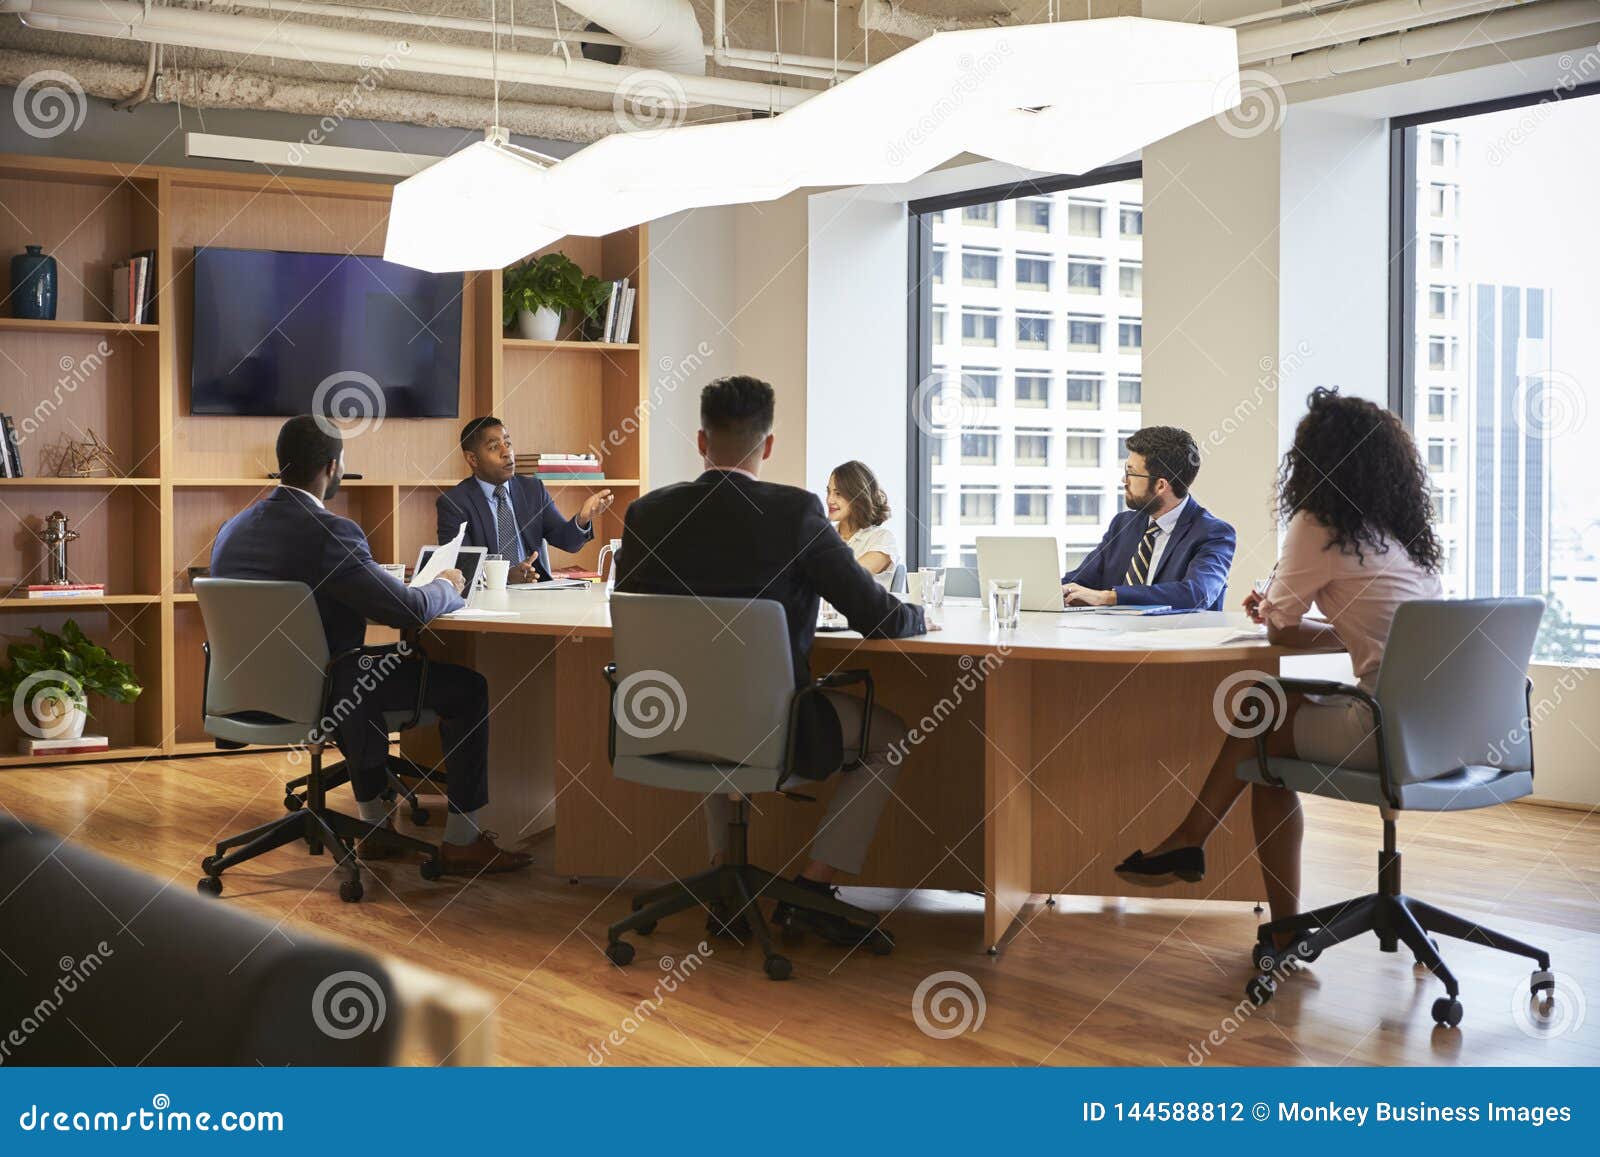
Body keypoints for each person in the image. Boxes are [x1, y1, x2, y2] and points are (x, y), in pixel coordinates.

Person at [1114, 389, 1444, 935]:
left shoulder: (1321, 526)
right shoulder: (1403, 534)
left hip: (1387, 729)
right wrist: (1291, 617)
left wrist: (1275, 613)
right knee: (1270, 719)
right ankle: (1194, 847)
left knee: (1260, 712)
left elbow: (1284, 631)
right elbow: (1373, 635)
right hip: (1450, 730)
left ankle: (1207, 855)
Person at [615, 376, 931, 946]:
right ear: (767, 446)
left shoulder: (646, 514)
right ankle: (813, 888)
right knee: (889, 737)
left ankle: (723, 880)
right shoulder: (795, 513)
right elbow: (877, 617)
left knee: (707, 691)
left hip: (663, 717)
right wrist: (919, 617)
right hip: (769, 726)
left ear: (701, 441)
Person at [212, 416, 532, 875]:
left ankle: (374, 826)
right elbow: (406, 611)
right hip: (327, 691)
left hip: (244, 692)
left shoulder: (231, 530)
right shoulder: (331, 532)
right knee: (466, 688)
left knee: (360, 670)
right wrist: (446, 585)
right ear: (333, 466)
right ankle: (462, 841)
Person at [1060, 425, 1236, 610]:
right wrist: (1053, 590)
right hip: (1112, 629)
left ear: (1160, 485)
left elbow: (1196, 594)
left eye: (1131, 472)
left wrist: (1109, 597)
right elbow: (1080, 580)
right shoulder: (1123, 524)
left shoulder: (1214, 534)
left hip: (1176, 629)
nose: (1124, 480)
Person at [437, 416, 613, 584]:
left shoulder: (532, 490)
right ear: (473, 459)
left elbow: (566, 542)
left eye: (507, 443)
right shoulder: (454, 503)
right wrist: (505, 576)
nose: (506, 453)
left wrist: (582, 519)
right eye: (494, 447)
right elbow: (461, 567)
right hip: (486, 596)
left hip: (535, 590)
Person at [826, 460, 900, 586]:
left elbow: (847, 577)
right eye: (828, 492)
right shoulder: (824, 537)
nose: (829, 500)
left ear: (858, 497)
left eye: (838, 494)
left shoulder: (882, 539)